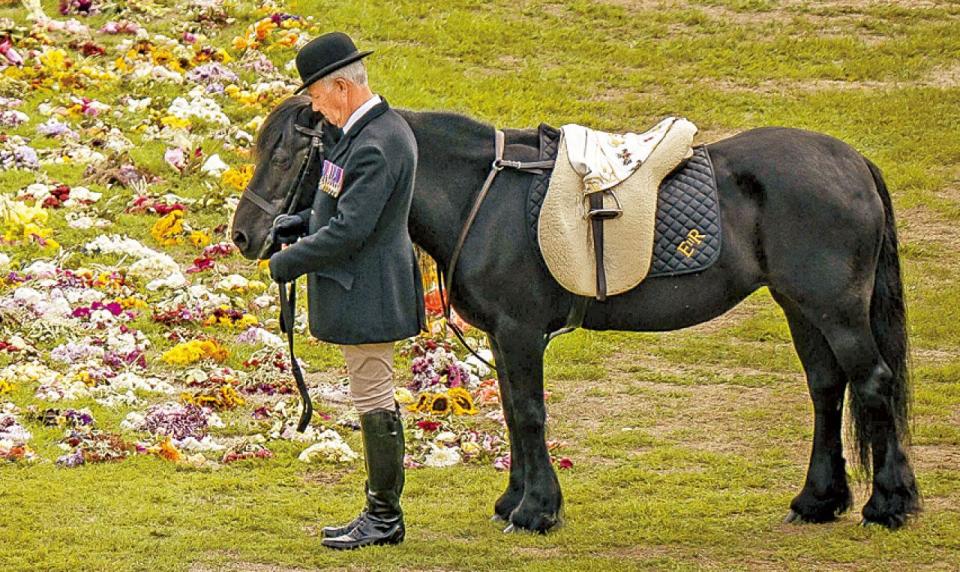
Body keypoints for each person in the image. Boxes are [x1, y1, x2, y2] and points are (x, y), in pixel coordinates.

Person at [267, 31, 426, 550]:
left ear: (340, 87)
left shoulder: (378, 144)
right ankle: (381, 513)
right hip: (363, 285)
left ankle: (384, 517)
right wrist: (299, 221)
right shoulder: (362, 133)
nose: (316, 108)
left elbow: (351, 231)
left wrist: (289, 262)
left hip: (370, 290)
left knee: (374, 396)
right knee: (368, 394)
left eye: (315, 97)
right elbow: (336, 202)